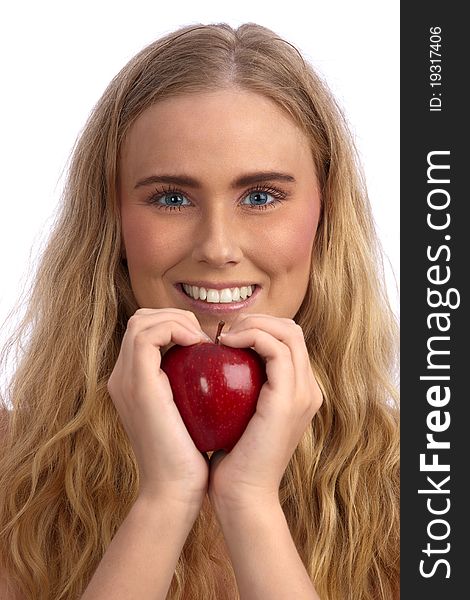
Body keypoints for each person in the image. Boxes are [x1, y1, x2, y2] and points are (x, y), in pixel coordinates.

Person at [0, 22, 400, 600]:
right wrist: (165, 499)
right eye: (171, 198)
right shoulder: (12, 469)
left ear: (325, 214)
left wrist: (248, 504)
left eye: (260, 197)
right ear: (111, 221)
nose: (217, 247)